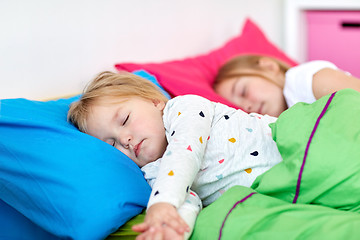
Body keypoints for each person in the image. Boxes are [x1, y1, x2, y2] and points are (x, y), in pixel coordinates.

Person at [67, 71, 283, 240]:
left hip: (292, 141)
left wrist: (161, 205)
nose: (125, 140)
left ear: (154, 101)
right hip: (281, 184)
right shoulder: (153, 172)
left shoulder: (183, 107)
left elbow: (184, 152)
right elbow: (185, 200)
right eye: (112, 144)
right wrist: (172, 228)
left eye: (124, 120)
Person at [213, 54, 360, 117]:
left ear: (268, 66)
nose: (246, 107)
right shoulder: (285, 122)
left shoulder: (303, 80)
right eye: (239, 109)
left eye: (243, 92)